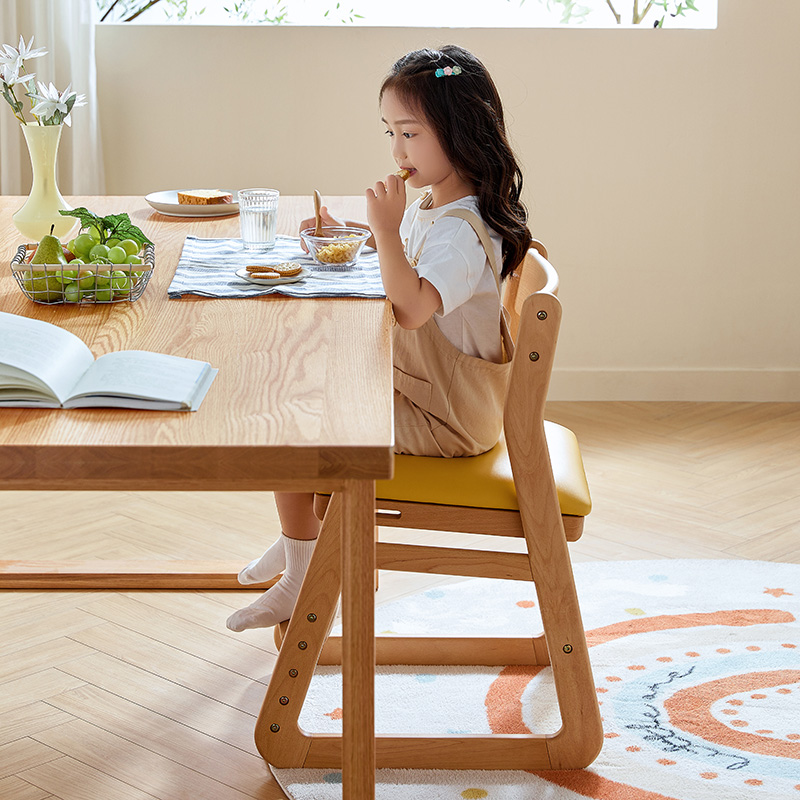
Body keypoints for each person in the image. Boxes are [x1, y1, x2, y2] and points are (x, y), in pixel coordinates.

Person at [226, 45, 532, 633]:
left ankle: (301, 565)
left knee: (295, 417)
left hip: (447, 420)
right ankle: (300, 549)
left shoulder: (463, 234)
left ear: (461, 131)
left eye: (410, 134)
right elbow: (408, 269)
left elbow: (413, 308)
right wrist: (364, 237)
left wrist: (385, 230)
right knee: (300, 391)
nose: (396, 151)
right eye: (390, 132)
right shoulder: (437, 208)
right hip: (429, 395)